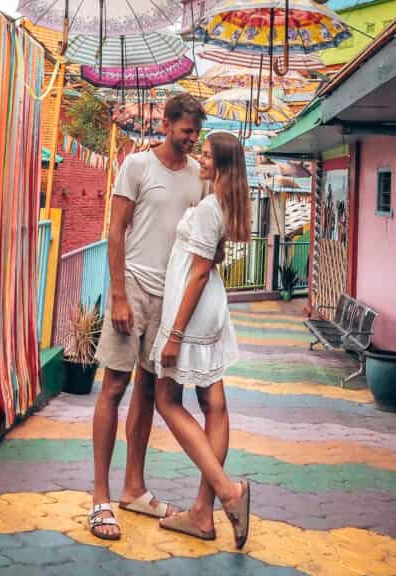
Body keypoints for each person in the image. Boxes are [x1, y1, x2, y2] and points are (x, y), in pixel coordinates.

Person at [89, 93, 207, 542]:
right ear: (166, 125)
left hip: (172, 296)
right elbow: (115, 229)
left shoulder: (199, 176)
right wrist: (118, 294)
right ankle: (100, 496)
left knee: (148, 390)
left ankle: (133, 487)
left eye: (196, 132)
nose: (192, 140)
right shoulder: (137, 166)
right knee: (114, 386)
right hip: (134, 289)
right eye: (185, 131)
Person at [150, 131, 251, 549]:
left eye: (208, 156)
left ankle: (228, 493)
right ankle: (201, 514)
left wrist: (173, 333)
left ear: (224, 165)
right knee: (214, 404)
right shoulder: (225, 204)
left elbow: (196, 272)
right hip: (209, 309)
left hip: (190, 313)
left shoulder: (211, 208)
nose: (200, 159)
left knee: (166, 400)